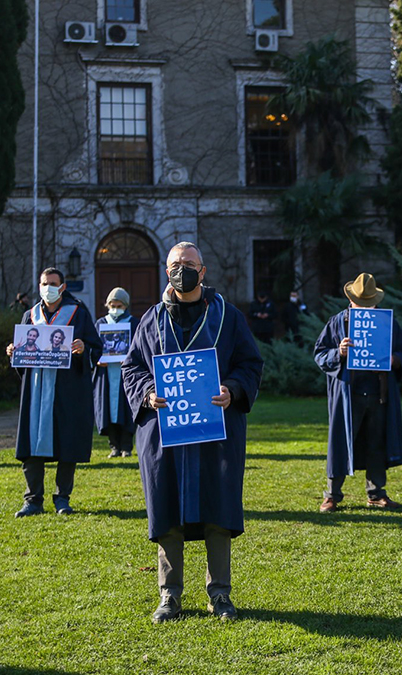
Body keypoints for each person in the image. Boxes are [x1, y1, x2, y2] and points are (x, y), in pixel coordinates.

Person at [122, 242, 263, 622]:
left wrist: (233, 389)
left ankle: (220, 594)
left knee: (218, 509)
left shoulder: (227, 317)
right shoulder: (149, 320)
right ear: (165, 271)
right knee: (167, 511)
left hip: (216, 430)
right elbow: (132, 368)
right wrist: (148, 394)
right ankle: (170, 596)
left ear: (203, 272)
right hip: (165, 432)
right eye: (174, 264)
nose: (180, 269)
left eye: (188, 264)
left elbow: (250, 362)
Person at [5, 268, 102, 518]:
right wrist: (14, 353)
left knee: (66, 442)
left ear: (62, 286)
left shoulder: (78, 313)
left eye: (52, 283)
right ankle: (33, 500)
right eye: (44, 283)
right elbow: (24, 354)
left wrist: (84, 348)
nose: (47, 287)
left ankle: (62, 499)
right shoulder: (30, 315)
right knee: (31, 443)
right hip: (36, 390)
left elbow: (96, 348)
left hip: (67, 390)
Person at [315, 273, 402, 512]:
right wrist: (339, 352)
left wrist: (395, 360)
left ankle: (376, 493)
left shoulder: (388, 323)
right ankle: (332, 495)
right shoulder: (337, 322)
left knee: (377, 443)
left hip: (379, 394)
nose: (368, 308)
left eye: (371, 303)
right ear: (352, 300)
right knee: (340, 443)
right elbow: (320, 354)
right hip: (348, 395)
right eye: (363, 303)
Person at [93, 287, 139, 458]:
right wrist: (97, 360)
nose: (115, 308)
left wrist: (129, 359)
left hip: (126, 375)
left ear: (125, 306)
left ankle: (127, 446)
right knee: (108, 410)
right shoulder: (101, 324)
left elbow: (139, 347)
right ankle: (114, 446)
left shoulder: (134, 323)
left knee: (126, 409)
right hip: (106, 375)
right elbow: (94, 346)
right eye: (112, 305)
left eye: (119, 305)